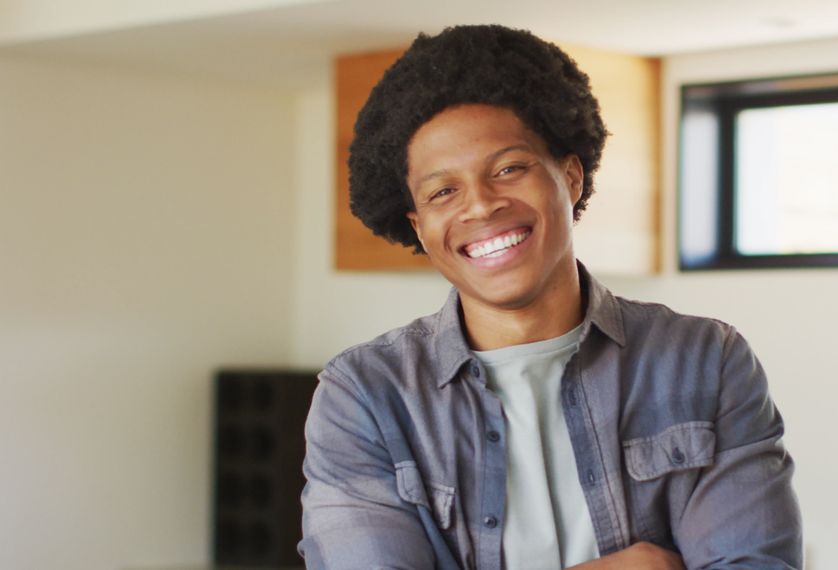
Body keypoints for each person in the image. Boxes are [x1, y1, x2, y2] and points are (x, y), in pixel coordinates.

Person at [298, 24, 802, 570]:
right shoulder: (367, 395)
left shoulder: (705, 360)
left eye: (509, 169)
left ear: (570, 175)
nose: (481, 206)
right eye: (444, 191)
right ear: (419, 227)